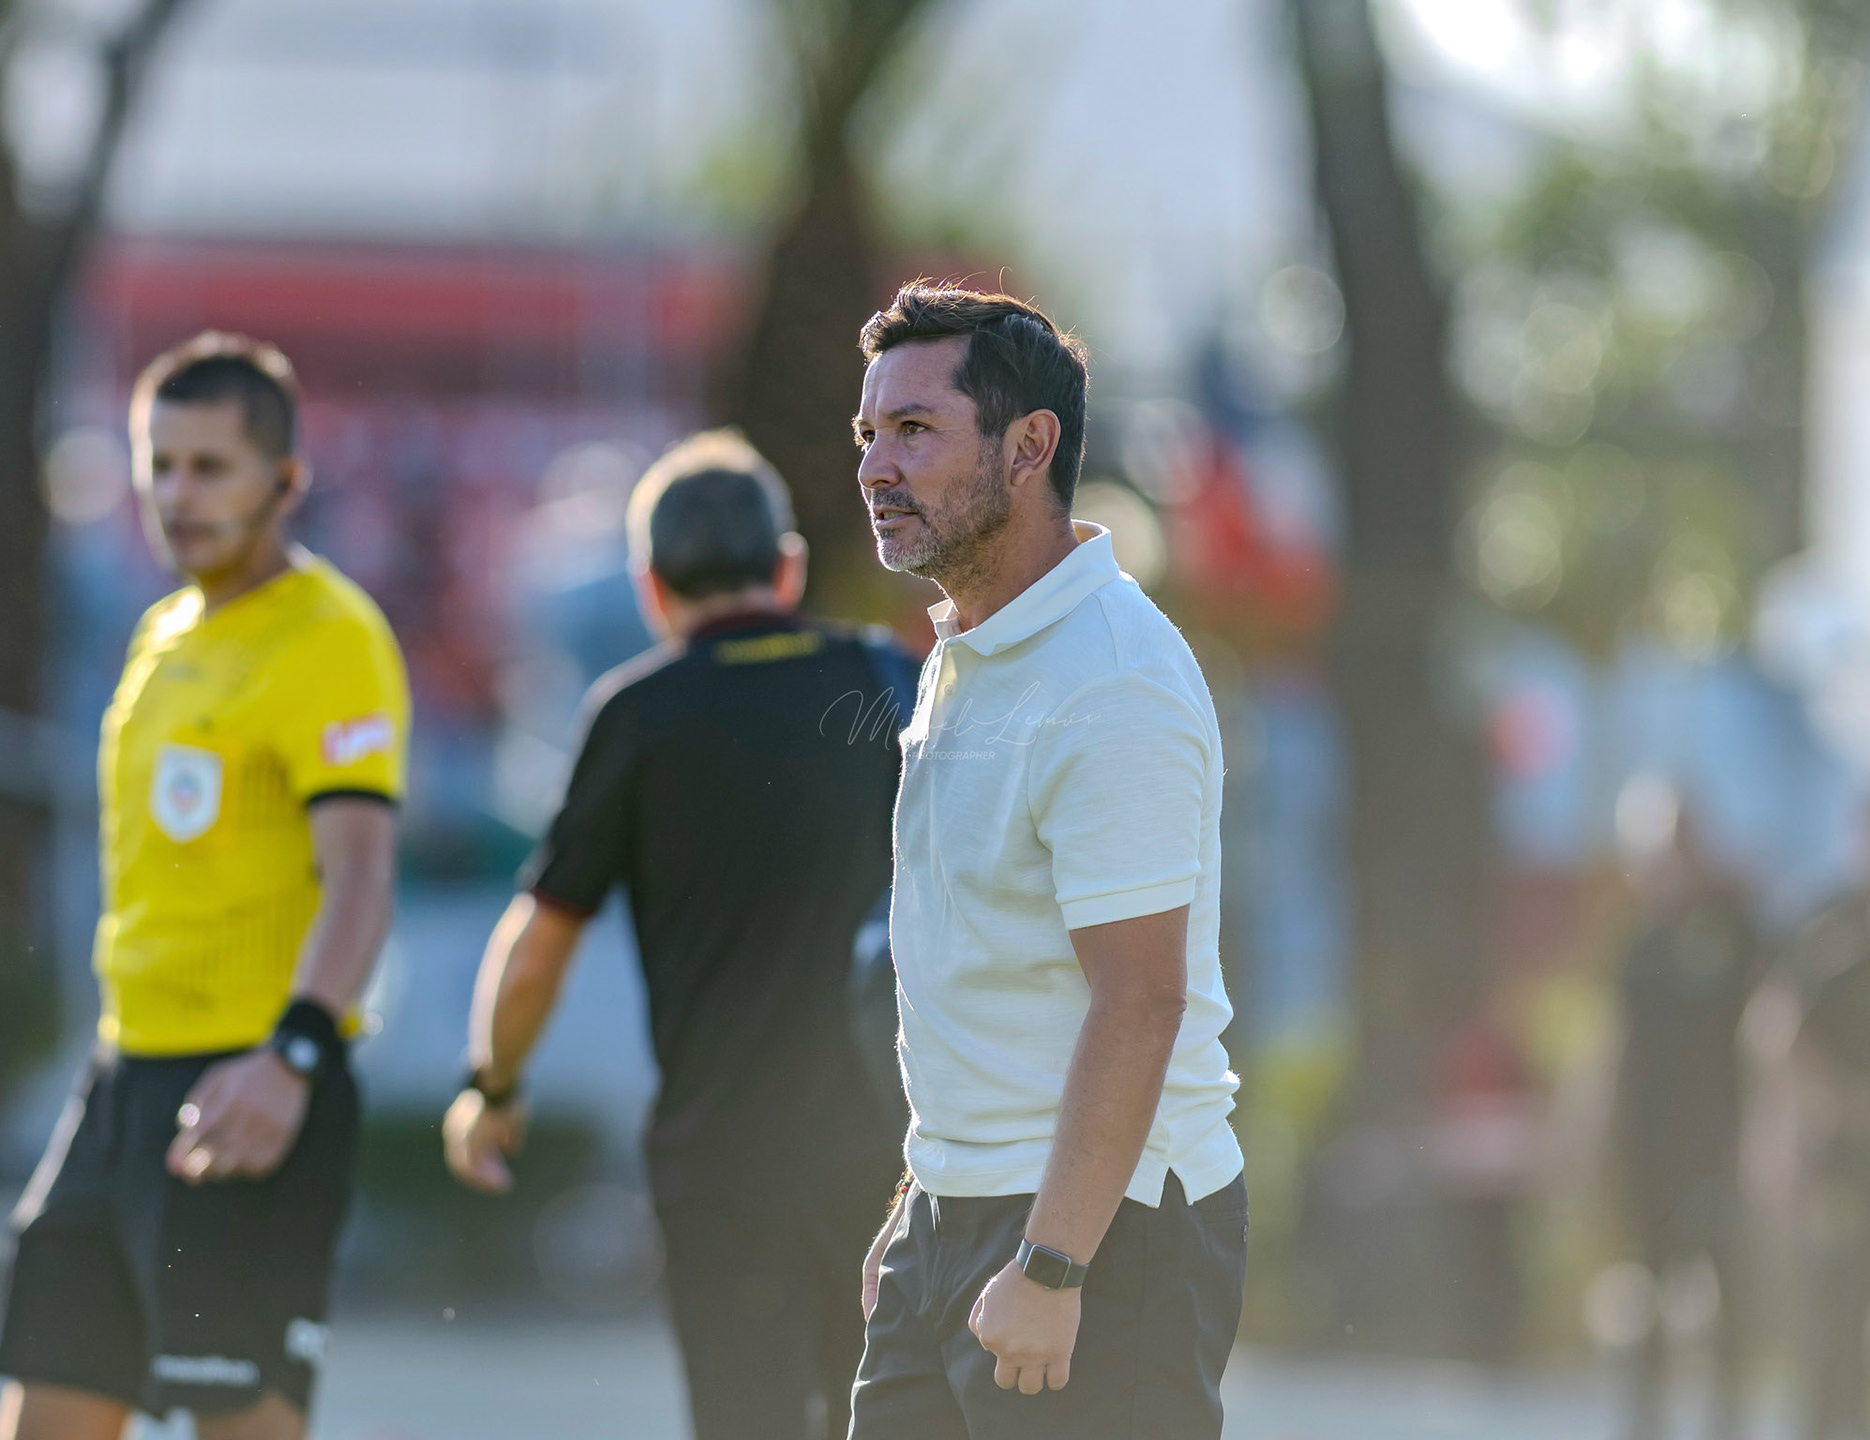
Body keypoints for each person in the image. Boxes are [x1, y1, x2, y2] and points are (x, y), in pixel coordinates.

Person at [442, 430, 910, 1440]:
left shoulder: (639, 714)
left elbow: (541, 939)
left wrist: (494, 1087)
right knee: (886, 1411)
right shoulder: (883, 679)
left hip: (721, 1155)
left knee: (748, 1420)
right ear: (786, 567)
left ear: (654, 587)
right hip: (885, 1148)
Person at [847, 282, 1247, 1440]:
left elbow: (1139, 1001)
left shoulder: (1110, 677)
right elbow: (991, 973)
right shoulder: (969, 648)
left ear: (1030, 448)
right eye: (869, 433)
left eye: (915, 430)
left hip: (1100, 1234)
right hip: (958, 1221)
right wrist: (924, 1198)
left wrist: (1056, 1265)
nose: (876, 465)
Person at [0, 333, 409, 1440]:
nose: (177, 494)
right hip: (121, 1080)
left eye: (209, 467)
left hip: (255, 1086)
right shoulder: (162, 632)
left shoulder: (330, 639)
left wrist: (293, 1056)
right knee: (41, 1412)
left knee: (240, 1426)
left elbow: (362, 874)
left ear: (284, 480)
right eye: (159, 466)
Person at [1609, 776, 1759, 1440]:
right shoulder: (1639, 948)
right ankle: (1646, 1424)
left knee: (1726, 1301)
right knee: (1650, 1296)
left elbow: (1762, 1039)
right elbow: (1617, 1051)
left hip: (1720, 1143)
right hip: (1651, 1149)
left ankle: (1725, 1423)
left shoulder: (1737, 934)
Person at [1793, 796, 1870, 1440]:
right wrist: (1845, 1101)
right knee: (1842, 1317)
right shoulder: (1839, 936)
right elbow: (1786, 1038)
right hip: (1852, 1166)